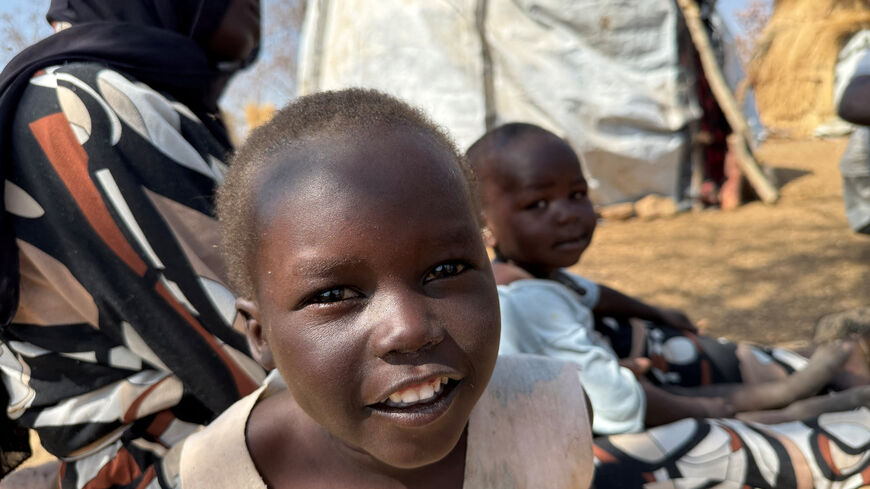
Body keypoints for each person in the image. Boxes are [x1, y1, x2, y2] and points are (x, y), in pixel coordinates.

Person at [175, 89, 596, 489]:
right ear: (260, 335)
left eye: (446, 269)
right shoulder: (214, 473)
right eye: (334, 295)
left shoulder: (553, 414)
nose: (409, 329)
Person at [467, 122, 870, 487]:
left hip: (579, 404)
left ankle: (796, 396)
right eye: (538, 205)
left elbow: (594, 295)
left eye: (576, 195)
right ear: (483, 225)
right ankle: (789, 406)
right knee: (707, 430)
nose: (568, 215)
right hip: (583, 435)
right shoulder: (528, 299)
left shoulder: (528, 274)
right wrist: (717, 406)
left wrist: (656, 313)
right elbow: (620, 406)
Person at [0, 1, 265, 488]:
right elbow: (249, 354)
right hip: (158, 466)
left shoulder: (118, 92)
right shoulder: (76, 108)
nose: (258, 10)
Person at [837, 47, 870, 235]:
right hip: (864, 130)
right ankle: (864, 218)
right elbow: (853, 105)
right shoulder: (863, 50)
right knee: (853, 165)